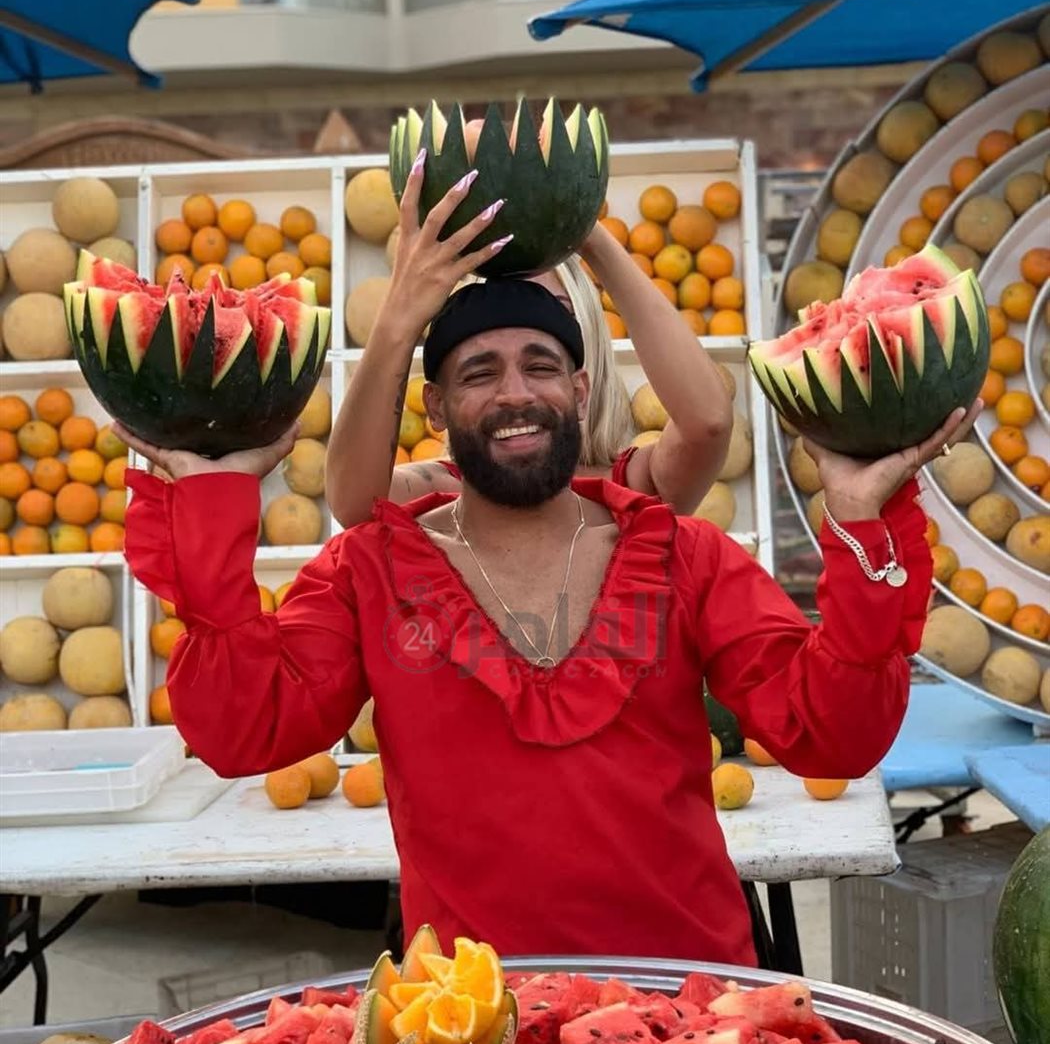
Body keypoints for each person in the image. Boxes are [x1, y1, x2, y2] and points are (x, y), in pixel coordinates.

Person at [117, 159, 977, 969]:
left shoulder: (685, 557)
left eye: (541, 366)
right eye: (479, 373)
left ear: (581, 390)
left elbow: (836, 735)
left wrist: (859, 517)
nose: (516, 393)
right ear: (436, 407)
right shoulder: (370, 571)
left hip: (693, 1006)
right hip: (471, 1025)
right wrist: (214, 500)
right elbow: (244, 733)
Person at [325, 166, 735, 527]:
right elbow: (353, 503)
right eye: (488, 347)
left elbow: (708, 424)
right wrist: (399, 317)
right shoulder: (441, 490)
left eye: (552, 317)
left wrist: (584, 227)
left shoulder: (635, 488)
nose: (515, 389)